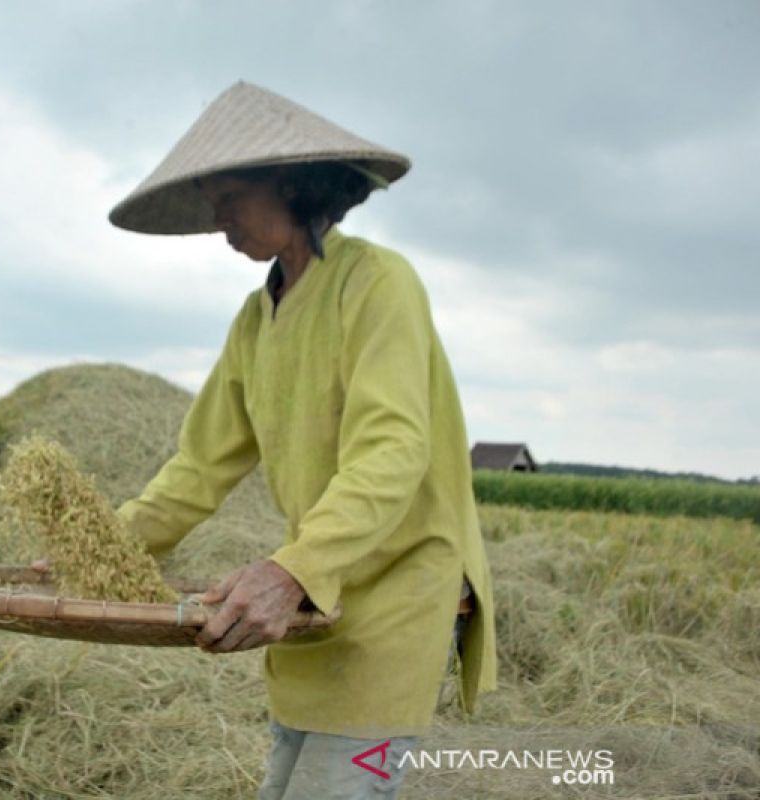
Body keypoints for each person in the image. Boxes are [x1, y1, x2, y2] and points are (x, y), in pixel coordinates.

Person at [106, 82, 497, 798]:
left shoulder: (377, 283)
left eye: (226, 195)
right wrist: (107, 544)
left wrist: (292, 570)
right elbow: (198, 466)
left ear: (290, 181)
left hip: (392, 589)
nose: (217, 218)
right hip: (318, 602)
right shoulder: (256, 320)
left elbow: (393, 449)